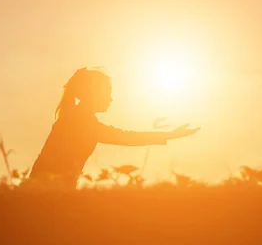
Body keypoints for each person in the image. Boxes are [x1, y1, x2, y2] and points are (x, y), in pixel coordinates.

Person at [28, 67, 200, 189]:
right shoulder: (79, 121)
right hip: (48, 190)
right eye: (107, 92)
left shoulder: (77, 118)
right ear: (91, 92)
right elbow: (126, 137)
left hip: (47, 189)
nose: (111, 99)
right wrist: (170, 135)